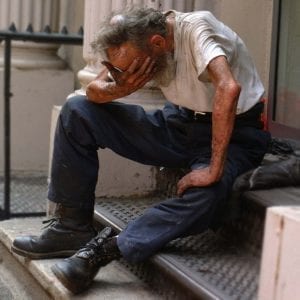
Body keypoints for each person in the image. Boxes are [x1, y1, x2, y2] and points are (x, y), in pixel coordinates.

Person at [11, 7, 271, 294]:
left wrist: (213, 168)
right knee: (77, 110)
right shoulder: (135, 37)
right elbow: (95, 90)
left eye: (125, 68)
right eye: (116, 69)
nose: (120, 74)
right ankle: (70, 228)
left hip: (235, 133)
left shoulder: (198, 29)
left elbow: (228, 87)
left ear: (158, 44)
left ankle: (105, 249)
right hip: (179, 123)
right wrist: (117, 89)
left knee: (210, 195)